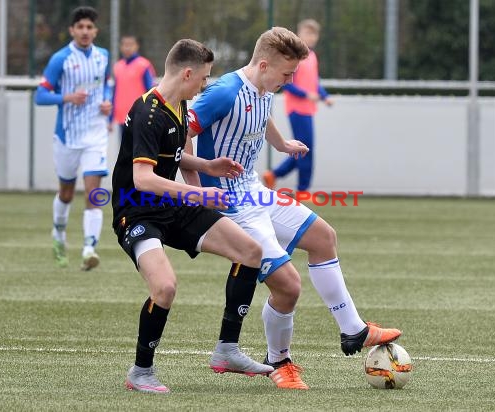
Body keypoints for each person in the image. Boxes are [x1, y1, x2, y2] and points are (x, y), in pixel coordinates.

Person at [187, 26, 401, 390]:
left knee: (323, 237)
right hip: (230, 206)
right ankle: (280, 361)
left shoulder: (265, 86)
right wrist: (197, 193)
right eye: (286, 74)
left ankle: (354, 330)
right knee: (288, 286)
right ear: (265, 64)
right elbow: (182, 134)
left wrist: (282, 143)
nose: (289, 81)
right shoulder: (223, 92)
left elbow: (261, 113)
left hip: (254, 191)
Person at [111, 38, 274, 394]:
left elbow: (171, 158)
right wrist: (200, 193)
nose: (205, 84)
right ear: (187, 73)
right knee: (165, 287)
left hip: (171, 205)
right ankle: (141, 372)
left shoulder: (179, 105)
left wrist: (205, 165)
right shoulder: (147, 112)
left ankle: (227, 351)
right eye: (203, 78)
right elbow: (143, 178)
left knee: (250, 252)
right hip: (137, 212)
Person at [35, 6, 112, 271]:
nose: (85, 32)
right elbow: (40, 95)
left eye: (89, 27)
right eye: (80, 27)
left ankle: (89, 249)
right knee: (66, 193)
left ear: (95, 31)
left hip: (95, 135)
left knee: (94, 193)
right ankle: (58, 236)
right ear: (72, 30)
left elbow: (107, 85)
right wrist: (66, 97)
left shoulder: (103, 56)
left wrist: (107, 103)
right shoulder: (61, 59)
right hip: (67, 136)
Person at [262, 19, 333, 192]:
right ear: (299, 34)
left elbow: (314, 82)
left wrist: (324, 96)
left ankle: (274, 175)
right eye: (308, 33)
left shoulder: (312, 57)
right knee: (306, 150)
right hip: (296, 109)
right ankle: (303, 190)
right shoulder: (295, 58)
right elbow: (289, 83)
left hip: (308, 110)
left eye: (314, 34)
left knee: (303, 149)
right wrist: (306, 94)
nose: (312, 37)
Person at [112, 34, 156, 138]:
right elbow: (114, 92)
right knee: (124, 151)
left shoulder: (144, 65)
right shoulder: (117, 66)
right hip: (121, 117)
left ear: (137, 46)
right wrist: (111, 117)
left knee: (138, 150)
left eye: (130, 44)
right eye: (124, 44)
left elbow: (151, 91)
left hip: (139, 116)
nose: (127, 47)